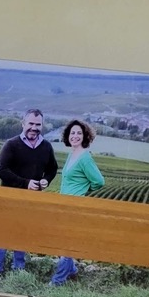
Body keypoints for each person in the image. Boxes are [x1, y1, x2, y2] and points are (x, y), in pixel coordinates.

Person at [0, 108, 57, 280]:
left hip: (30, 201)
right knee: (2, 233)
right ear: (23, 124)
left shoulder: (46, 147)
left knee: (22, 233)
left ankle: (18, 268)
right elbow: (1, 170)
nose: (34, 128)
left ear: (42, 126)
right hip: (8, 199)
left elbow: (52, 168)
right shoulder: (11, 145)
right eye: (31, 123)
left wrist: (46, 180)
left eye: (38, 124)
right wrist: (26, 183)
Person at [51, 118, 105, 285]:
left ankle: (58, 281)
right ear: (68, 135)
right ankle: (72, 271)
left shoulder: (84, 158)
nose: (75, 136)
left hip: (74, 207)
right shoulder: (72, 153)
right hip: (64, 205)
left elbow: (99, 181)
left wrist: (82, 192)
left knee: (65, 244)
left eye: (79, 133)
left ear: (85, 136)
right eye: (72, 133)